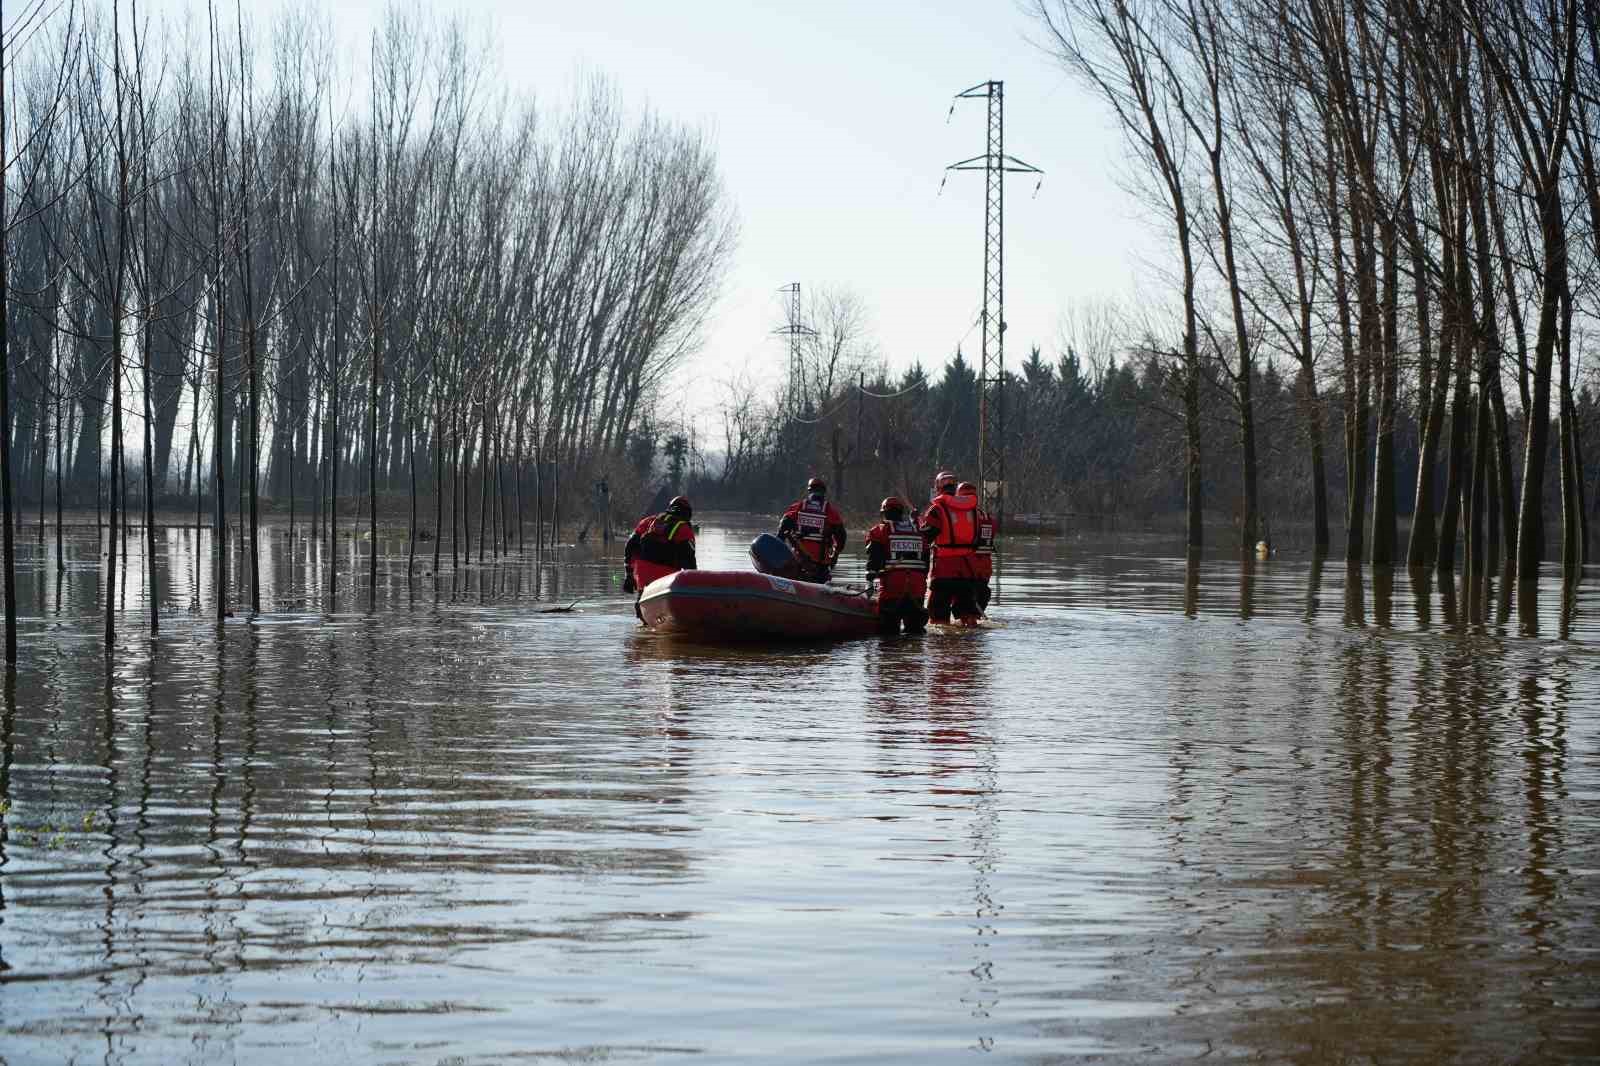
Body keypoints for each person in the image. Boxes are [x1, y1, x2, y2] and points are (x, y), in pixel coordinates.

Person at [920, 471, 981, 625]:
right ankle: (968, 643)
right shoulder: (973, 510)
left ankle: (941, 645)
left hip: (944, 567)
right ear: (955, 487)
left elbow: (926, 536)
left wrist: (919, 525)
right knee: (967, 612)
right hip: (968, 568)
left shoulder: (937, 509)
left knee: (938, 611)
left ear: (938, 487)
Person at [623, 496, 696, 618]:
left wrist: (629, 575)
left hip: (642, 572)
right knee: (665, 609)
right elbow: (689, 561)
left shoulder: (648, 521)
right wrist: (693, 584)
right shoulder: (684, 529)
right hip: (667, 576)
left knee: (644, 600)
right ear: (687, 513)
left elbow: (630, 547)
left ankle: (643, 618)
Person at [864, 496, 928, 634]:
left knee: (888, 634)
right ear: (901, 513)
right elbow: (926, 562)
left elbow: (874, 560)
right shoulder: (918, 532)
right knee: (915, 633)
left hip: (892, 589)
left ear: (884, 513)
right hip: (917, 588)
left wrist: (870, 578)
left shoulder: (880, 531)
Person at [778, 476, 846, 582]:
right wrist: (835, 554)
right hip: (820, 566)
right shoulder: (830, 512)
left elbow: (783, 526)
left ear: (809, 491)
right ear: (823, 492)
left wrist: (780, 546)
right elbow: (841, 537)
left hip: (798, 562)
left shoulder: (798, 507)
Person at [959, 482, 996, 614]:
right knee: (978, 603)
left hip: (968, 565)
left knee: (965, 606)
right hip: (985, 567)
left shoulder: (963, 516)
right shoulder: (987, 517)